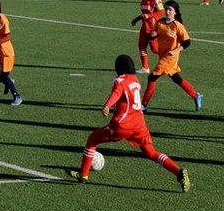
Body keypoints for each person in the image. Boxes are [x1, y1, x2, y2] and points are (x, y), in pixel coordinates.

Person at [66, 54, 191, 192]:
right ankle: (178, 172)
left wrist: (107, 105)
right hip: (139, 125)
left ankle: (83, 175)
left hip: (122, 125)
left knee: (93, 139)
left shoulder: (120, 80)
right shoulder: (135, 80)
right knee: (151, 153)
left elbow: (116, 93)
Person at [143, 0, 201, 111]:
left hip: (170, 57)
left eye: (170, 10)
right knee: (176, 78)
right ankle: (196, 95)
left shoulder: (177, 26)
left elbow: (187, 42)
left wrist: (175, 51)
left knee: (152, 77)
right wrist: (153, 35)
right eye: (166, 9)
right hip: (162, 55)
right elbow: (154, 34)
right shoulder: (160, 22)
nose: (168, 11)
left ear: (175, 12)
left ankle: (143, 105)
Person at [130, 0, 164, 74]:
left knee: (155, 49)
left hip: (153, 28)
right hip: (144, 28)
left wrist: (149, 15)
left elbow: (161, 11)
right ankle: (145, 68)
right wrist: (136, 19)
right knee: (141, 47)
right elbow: (144, 13)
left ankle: (169, 60)